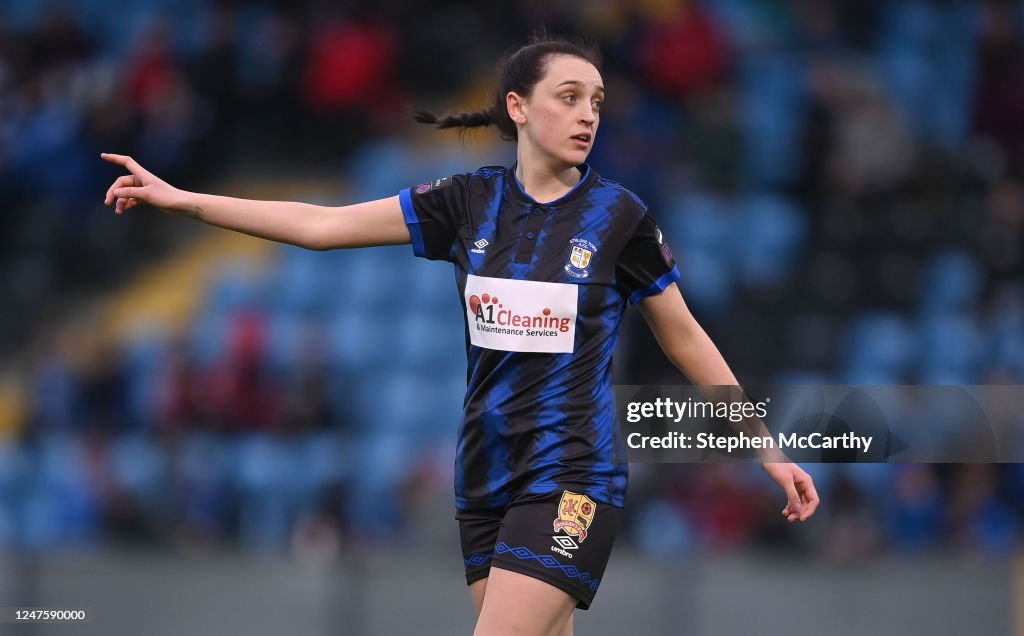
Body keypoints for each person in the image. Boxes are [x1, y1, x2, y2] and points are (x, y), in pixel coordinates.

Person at [102, 34, 819, 636]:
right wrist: (184, 200)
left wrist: (764, 447)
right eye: (569, 97)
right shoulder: (465, 203)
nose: (588, 115)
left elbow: (685, 336)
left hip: (572, 475)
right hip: (484, 475)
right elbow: (323, 226)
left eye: (597, 102)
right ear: (518, 106)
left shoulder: (620, 218)